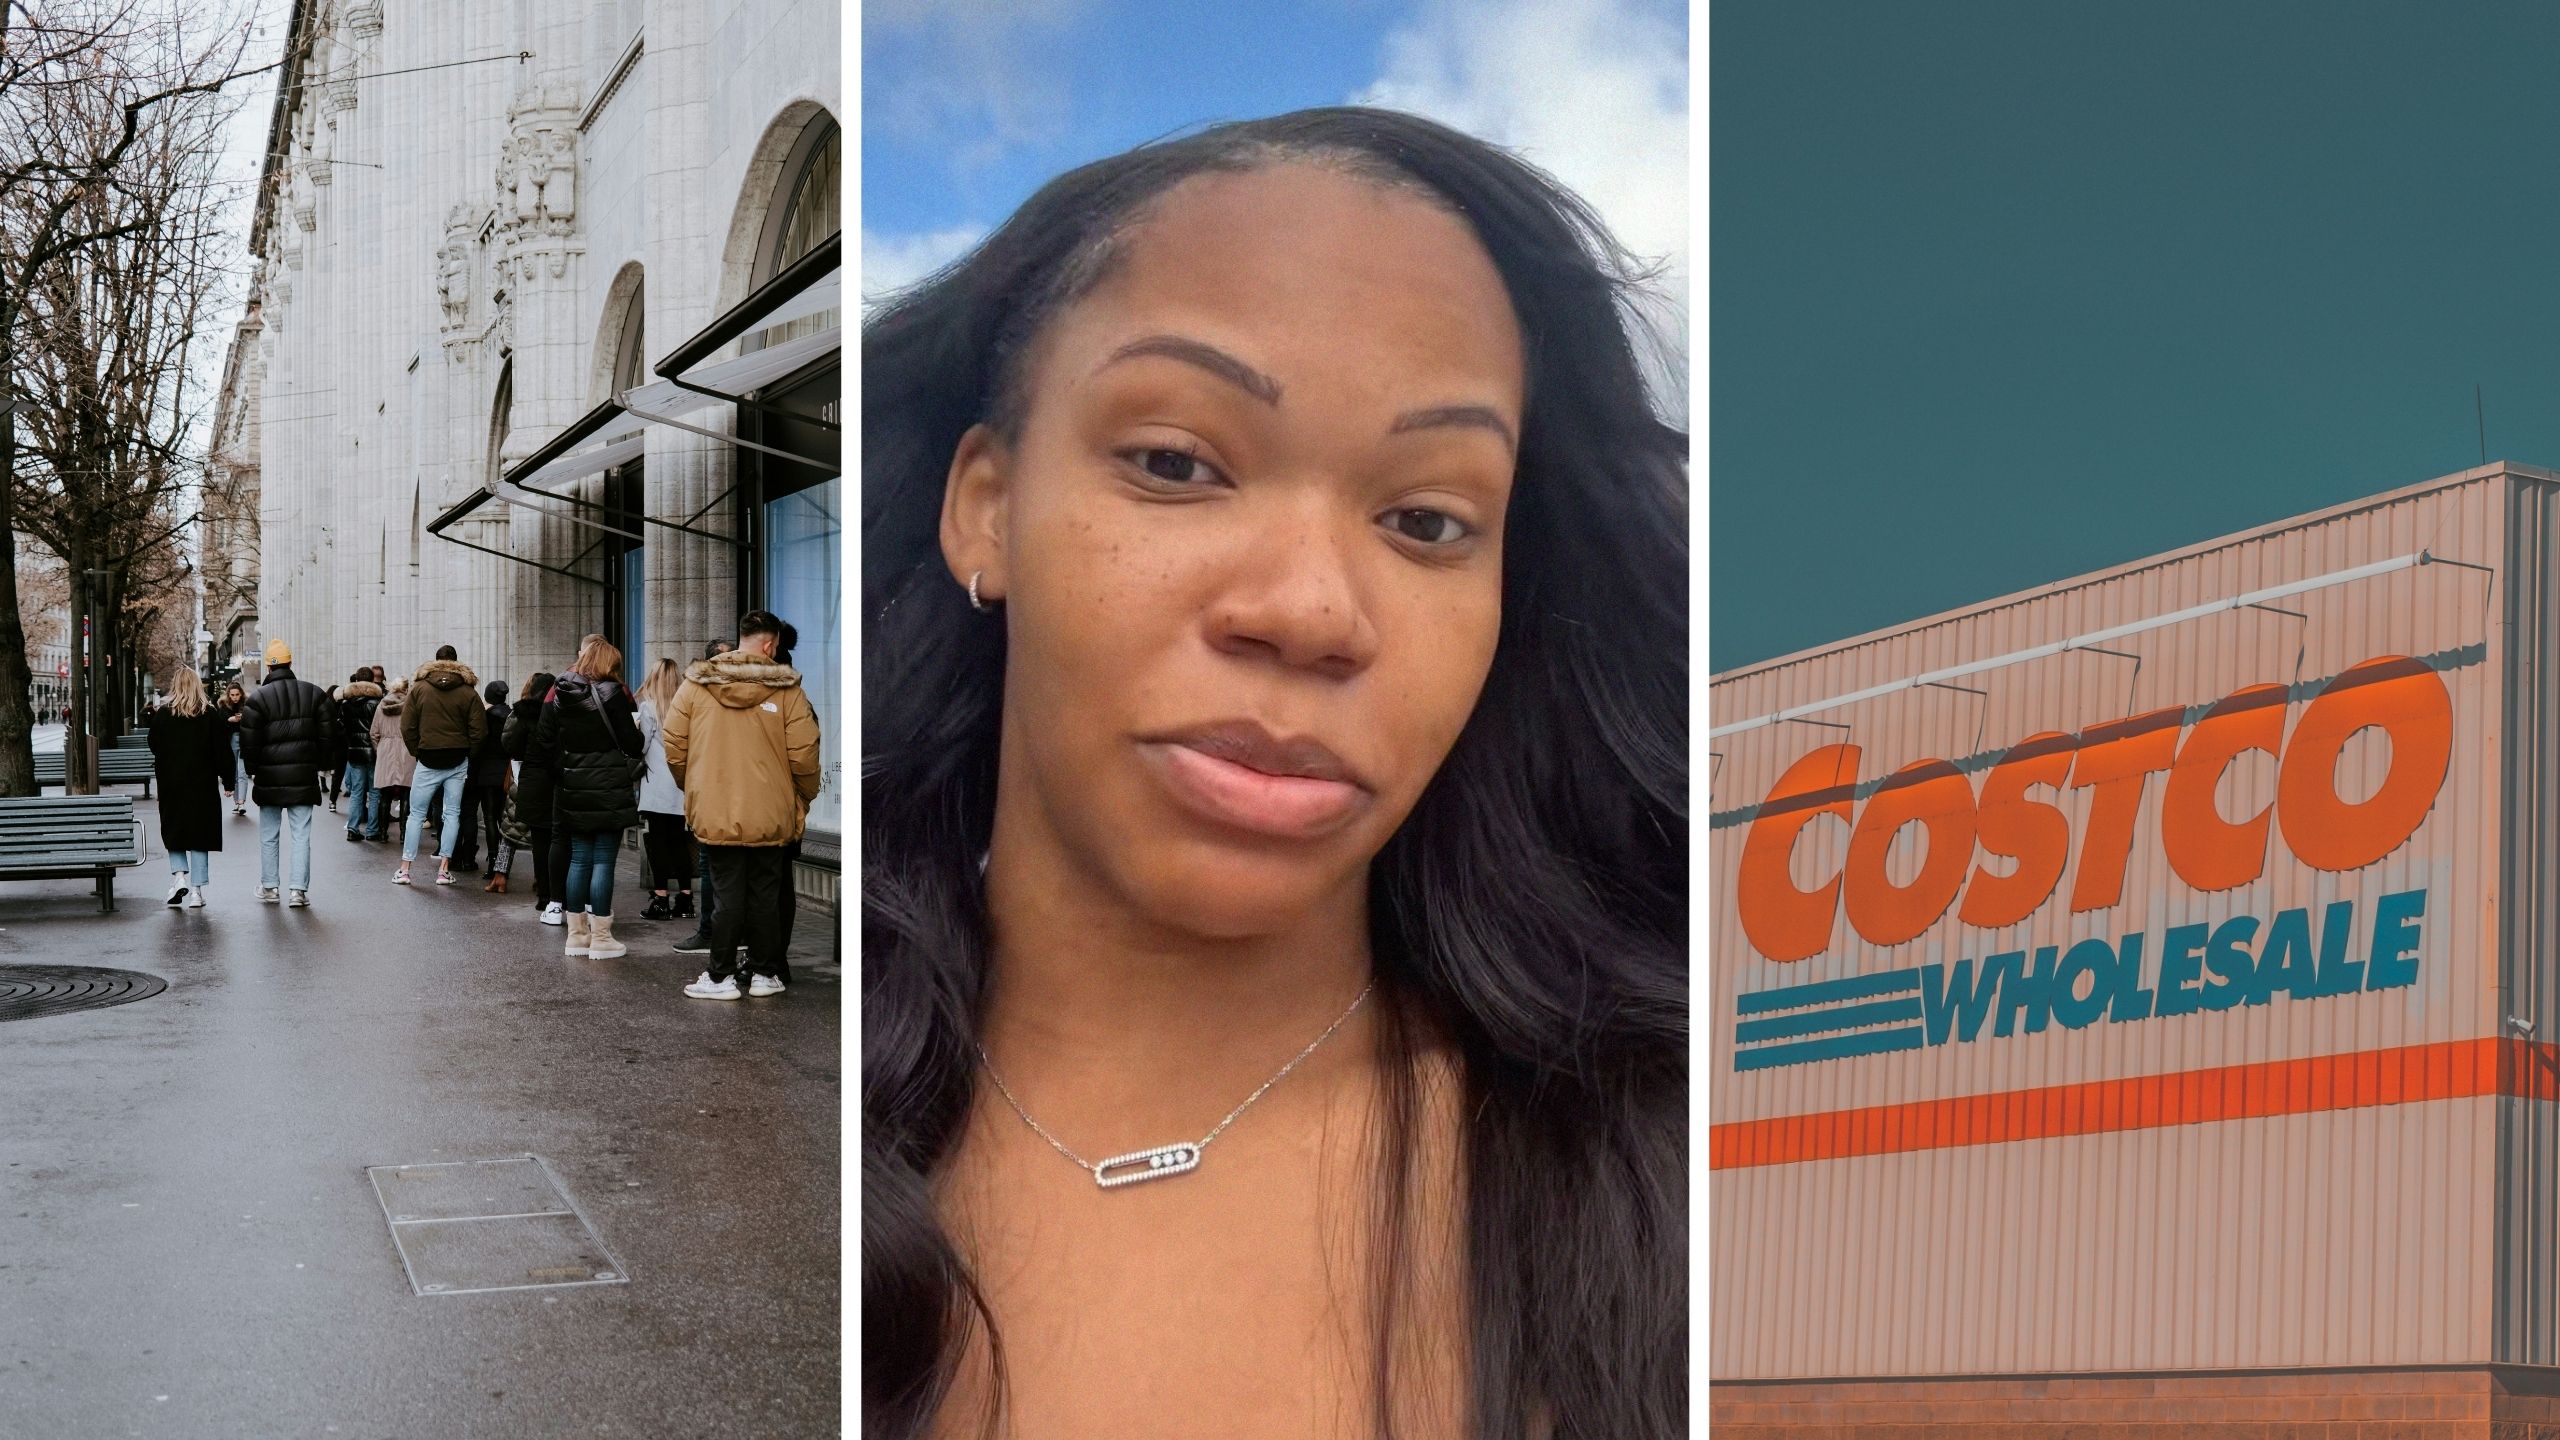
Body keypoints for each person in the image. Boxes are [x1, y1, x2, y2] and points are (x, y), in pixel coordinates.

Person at [859, 110, 1686, 1438]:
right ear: (987, 504)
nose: (1309, 610)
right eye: (1177, 463)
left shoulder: (1662, 1181)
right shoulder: (817, 1128)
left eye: (1427, 521)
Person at [664, 611, 819, 1000]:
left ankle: (720, 977)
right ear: (771, 644)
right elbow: (805, 755)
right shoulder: (788, 690)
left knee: (726, 893)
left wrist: (694, 786)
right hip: (772, 810)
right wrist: (801, 797)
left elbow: (674, 744)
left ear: (743, 638)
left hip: (716, 807)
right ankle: (766, 973)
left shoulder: (696, 684)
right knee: (766, 894)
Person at [531, 636, 643, 959]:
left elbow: (546, 738)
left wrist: (563, 769)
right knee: (604, 860)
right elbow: (632, 745)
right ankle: (602, 938)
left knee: (579, 859)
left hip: (573, 783)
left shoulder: (562, 694)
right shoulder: (613, 693)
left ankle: (577, 936)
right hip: (608, 783)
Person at [237, 637, 342, 907]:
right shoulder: (314, 694)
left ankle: (270, 887)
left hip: (269, 777)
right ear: (290, 663)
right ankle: (298, 891)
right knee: (301, 835)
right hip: (303, 775)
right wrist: (321, 763)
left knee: (269, 835)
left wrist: (252, 771)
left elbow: (249, 743)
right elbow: (329, 734)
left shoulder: (257, 699)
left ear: (269, 669)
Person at [395, 645, 484, 887]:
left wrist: (418, 750)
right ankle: (444, 870)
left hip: (428, 757)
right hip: (457, 758)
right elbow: (479, 731)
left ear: (435, 662)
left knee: (416, 815)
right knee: (452, 813)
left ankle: (405, 869)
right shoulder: (468, 692)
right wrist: (467, 753)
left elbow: (407, 727)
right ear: (457, 663)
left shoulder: (419, 689)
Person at [147, 669, 230, 908]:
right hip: (202, 783)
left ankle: (179, 876)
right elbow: (221, 750)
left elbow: (154, 746)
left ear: (175, 686)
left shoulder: (164, 714)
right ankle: (196, 891)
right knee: (199, 836)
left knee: (175, 831)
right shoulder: (210, 714)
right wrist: (229, 781)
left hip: (172, 782)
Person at [633, 657, 695, 922]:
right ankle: (686, 898)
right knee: (679, 842)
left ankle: (661, 898)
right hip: (680, 784)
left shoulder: (649, 709)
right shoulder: (686, 709)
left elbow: (642, 746)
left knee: (658, 844)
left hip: (657, 784)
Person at [503, 670, 560, 921]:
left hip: (534, 781)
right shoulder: (562, 712)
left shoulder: (526, 715)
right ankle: (562, 895)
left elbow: (513, 747)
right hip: (560, 780)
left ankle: (545, 896)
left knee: (541, 841)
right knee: (561, 840)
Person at [461, 679, 510, 881]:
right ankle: (503, 865)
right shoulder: (511, 714)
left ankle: (493, 861)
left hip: (486, 770)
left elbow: (478, 740)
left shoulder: (485, 717)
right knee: (502, 818)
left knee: (490, 817)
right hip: (506, 770)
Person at [337, 669, 384, 842]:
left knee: (356, 792)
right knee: (374, 792)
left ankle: (353, 828)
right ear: (372, 681)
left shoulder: (346, 703)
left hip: (355, 751)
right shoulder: (377, 703)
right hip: (373, 751)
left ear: (356, 680)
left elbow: (342, 726)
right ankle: (372, 830)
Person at [369, 677, 414, 840]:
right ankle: (403, 834)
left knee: (384, 795)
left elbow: (374, 733)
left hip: (386, 750)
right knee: (405, 794)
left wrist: (379, 749)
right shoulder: (411, 705)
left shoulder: (382, 705)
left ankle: (382, 833)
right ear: (406, 688)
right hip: (406, 750)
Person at [219, 681, 250, 816]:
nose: (235, 697)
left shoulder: (248, 705)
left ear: (241, 694)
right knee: (234, 772)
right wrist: (229, 720)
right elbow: (220, 723)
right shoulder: (223, 707)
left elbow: (254, 720)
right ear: (228, 695)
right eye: (232, 695)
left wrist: (244, 718)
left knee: (242, 773)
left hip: (245, 740)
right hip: (230, 740)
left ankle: (241, 802)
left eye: (237, 694)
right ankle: (237, 802)